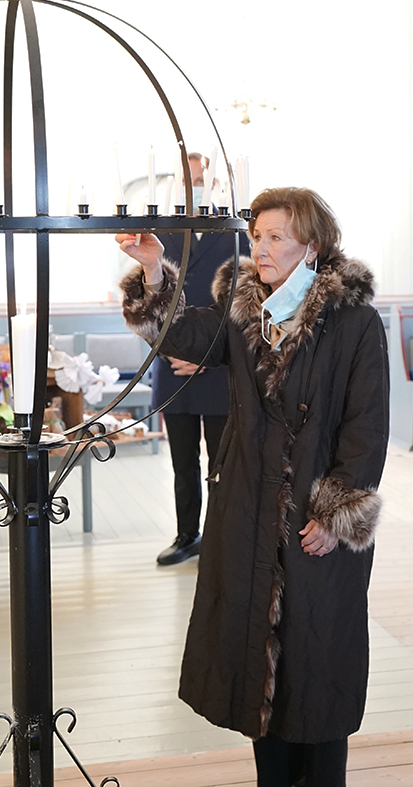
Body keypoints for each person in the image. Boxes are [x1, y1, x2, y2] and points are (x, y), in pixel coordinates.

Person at [118, 186, 388, 786]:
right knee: (259, 673)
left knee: (316, 666)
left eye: (274, 238)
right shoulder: (244, 313)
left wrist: (337, 513)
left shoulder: (355, 321)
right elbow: (182, 334)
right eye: (256, 236)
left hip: (314, 520)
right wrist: (153, 269)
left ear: (310, 246)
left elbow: (366, 427)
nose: (259, 249)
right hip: (248, 513)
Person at [152, 152, 251, 566]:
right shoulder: (159, 232)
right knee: (182, 463)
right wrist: (176, 352)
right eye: (187, 180)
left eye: (200, 180)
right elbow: (150, 304)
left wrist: (207, 357)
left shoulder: (235, 232)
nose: (194, 188)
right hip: (172, 369)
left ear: (215, 184)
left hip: (218, 370)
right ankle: (186, 535)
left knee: (221, 463)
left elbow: (243, 307)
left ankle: (220, 539)